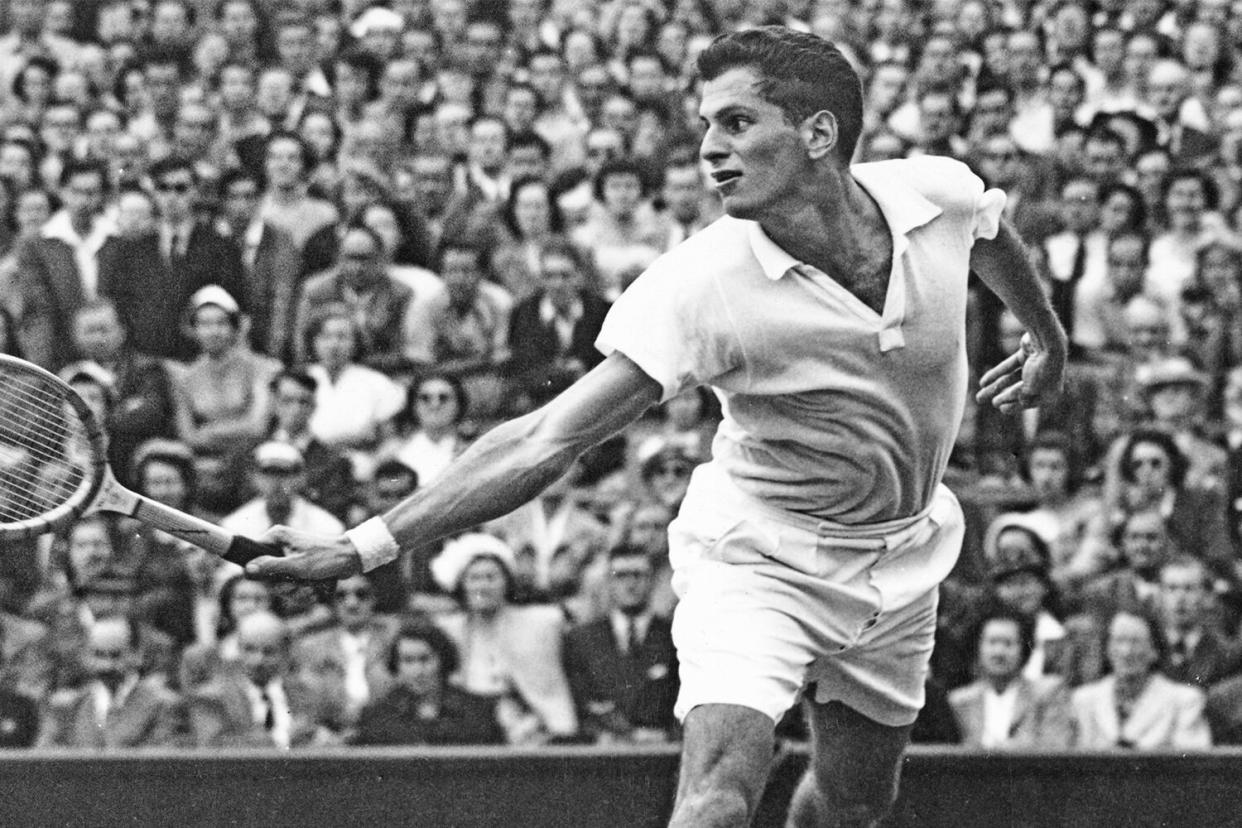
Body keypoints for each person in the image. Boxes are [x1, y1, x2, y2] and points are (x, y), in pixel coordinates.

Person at [249, 27, 1066, 827]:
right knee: (716, 797)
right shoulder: (698, 286)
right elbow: (547, 438)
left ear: (819, 133)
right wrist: (362, 546)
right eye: (705, 124)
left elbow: (987, 232)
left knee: (856, 804)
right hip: (759, 556)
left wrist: (1046, 337)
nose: (710, 148)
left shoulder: (936, 193)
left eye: (737, 123)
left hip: (900, 556)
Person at [350, 617, 505, 746]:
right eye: (408, 661)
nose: (417, 671)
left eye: (425, 659)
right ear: (397, 665)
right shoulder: (378, 716)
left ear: (443, 660)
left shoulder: (476, 711)